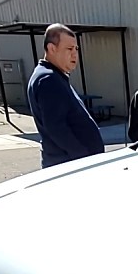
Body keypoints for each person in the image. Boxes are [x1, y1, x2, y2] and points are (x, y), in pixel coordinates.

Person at [26, 23, 104, 169]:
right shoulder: (48, 79)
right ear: (51, 48)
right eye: (69, 49)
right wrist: (83, 158)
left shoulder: (55, 76)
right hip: (68, 166)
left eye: (76, 49)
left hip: (70, 163)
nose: (74, 54)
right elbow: (56, 128)